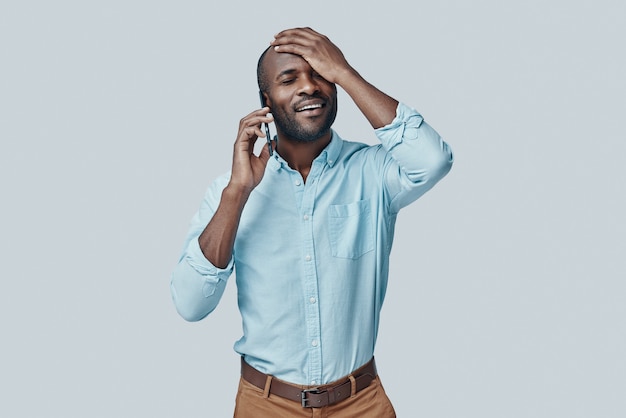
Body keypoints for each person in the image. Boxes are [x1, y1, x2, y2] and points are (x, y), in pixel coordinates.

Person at [170, 27, 453, 417]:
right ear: (265, 101)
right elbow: (190, 304)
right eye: (290, 79)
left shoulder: (373, 172)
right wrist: (237, 192)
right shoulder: (230, 193)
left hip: (361, 404)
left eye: (320, 74)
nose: (309, 87)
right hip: (264, 406)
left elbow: (433, 160)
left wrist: (345, 71)